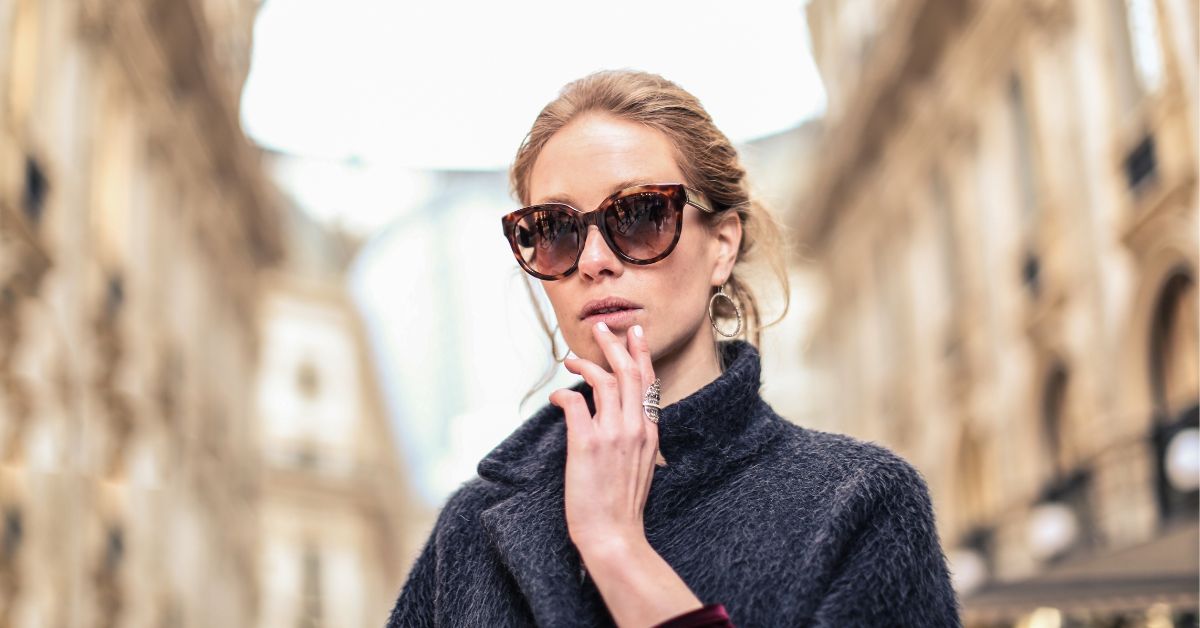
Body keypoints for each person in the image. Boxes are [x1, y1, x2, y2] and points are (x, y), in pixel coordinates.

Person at [386, 70, 961, 627]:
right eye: (554, 230)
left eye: (638, 215)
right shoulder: (472, 526)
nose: (592, 261)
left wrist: (617, 550)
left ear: (722, 246)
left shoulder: (859, 505)